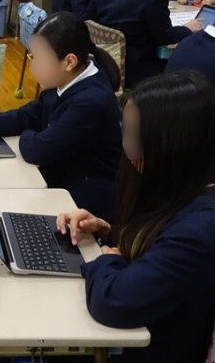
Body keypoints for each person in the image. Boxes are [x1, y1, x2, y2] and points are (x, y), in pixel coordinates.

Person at [57, 71, 215, 363]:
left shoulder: (200, 228)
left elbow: (113, 301)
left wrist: (109, 258)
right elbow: (158, 242)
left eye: (132, 135)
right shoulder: (183, 191)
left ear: (171, 145)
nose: (126, 147)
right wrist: (107, 231)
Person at [0, 12, 122, 221]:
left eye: (38, 58)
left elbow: (38, 150)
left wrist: (30, 133)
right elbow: (27, 115)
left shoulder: (92, 101)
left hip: (83, 204)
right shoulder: (65, 80)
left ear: (69, 62)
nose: (32, 66)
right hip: (59, 180)